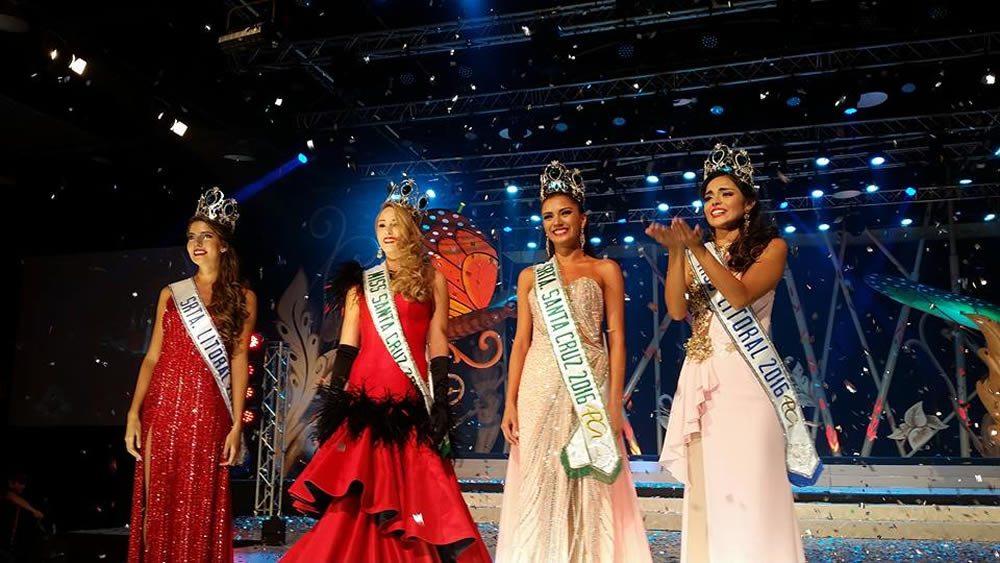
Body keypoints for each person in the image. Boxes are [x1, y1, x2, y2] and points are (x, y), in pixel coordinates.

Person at [282, 180, 491, 562]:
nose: (388, 231)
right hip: (364, 394)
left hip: (408, 395)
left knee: (412, 491)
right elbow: (348, 346)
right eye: (381, 225)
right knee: (356, 496)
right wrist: (334, 399)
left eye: (395, 224)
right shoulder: (362, 283)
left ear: (411, 231)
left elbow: (438, 342)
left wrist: (441, 401)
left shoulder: (433, 280)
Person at [648, 144, 819, 562]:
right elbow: (675, 309)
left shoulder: (771, 248)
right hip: (703, 379)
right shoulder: (696, 252)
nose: (714, 202)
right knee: (711, 489)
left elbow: (739, 295)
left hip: (749, 381)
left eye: (725, 193)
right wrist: (676, 252)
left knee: (752, 486)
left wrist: (697, 250)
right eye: (708, 196)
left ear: (749, 203)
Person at [495, 162, 652, 563]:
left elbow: (616, 339)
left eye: (565, 213)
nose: (557, 222)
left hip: (590, 385)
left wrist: (615, 402)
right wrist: (510, 402)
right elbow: (521, 344)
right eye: (548, 216)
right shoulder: (531, 276)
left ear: (582, 218)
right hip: (537, 385)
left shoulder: (605, 269)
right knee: (540, 477)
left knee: (588, 476)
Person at [124, 187, 257, 562]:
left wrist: (235, 426)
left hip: (208, 414)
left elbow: (238, 361)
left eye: (206, 236)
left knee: (198, 511)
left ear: (224, 245)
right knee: (158, 506)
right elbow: (152, 357)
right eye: (191, 237)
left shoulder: (242, 298)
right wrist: (134, 412)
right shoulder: (172, 293)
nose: (196, 244)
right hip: (162, 411)